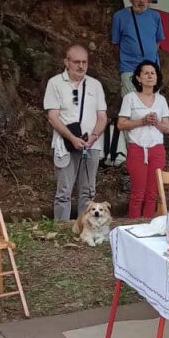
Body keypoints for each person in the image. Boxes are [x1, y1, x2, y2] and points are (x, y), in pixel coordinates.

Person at [44, 44, 107, 220]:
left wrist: (94, 137)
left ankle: (85, 227)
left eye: (84, 62)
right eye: (77, 62)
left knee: (87, 191)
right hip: (65, 143)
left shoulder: (95, 84)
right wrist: (71, 138)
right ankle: (61, 229)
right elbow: (53, 116)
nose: (81, 66)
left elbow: (102, 116)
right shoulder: (55, 83)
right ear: (67, 62)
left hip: (91, 144)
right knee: (64, 191)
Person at [117, 60, 169, 218]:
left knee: (153, 193)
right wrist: (142, 121)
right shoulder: (130, 98)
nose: (149, 76)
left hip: (156, 149)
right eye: (145, 73)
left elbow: (167, 128)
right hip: (137, 148)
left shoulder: (161, 100)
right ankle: (132, 227)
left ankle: (148, 226)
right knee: (137, 192)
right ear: (138, 78)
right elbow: (121, 124)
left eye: (153, 73)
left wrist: (155, 122)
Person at [110, 0, 165, 98]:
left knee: (152, 106)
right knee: (131, 106)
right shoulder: (119, 17)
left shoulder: (155, 16)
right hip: (130, 69)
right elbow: (115, 44)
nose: (141, 0)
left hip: (151, 69)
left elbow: (157, 42)